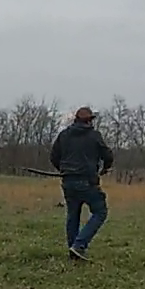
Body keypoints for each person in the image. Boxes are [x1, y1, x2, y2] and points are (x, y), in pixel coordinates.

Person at [50, 106, 114, 261]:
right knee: (100, 212)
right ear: (89, 121)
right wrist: (104, 169)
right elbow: (108, 156)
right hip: (87, 182)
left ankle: (74, 251)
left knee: (73, 215)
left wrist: (64, 170)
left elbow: (53, 156)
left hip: (68, 181)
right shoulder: (94, 136)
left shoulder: (64, 135)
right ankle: (79, 245)